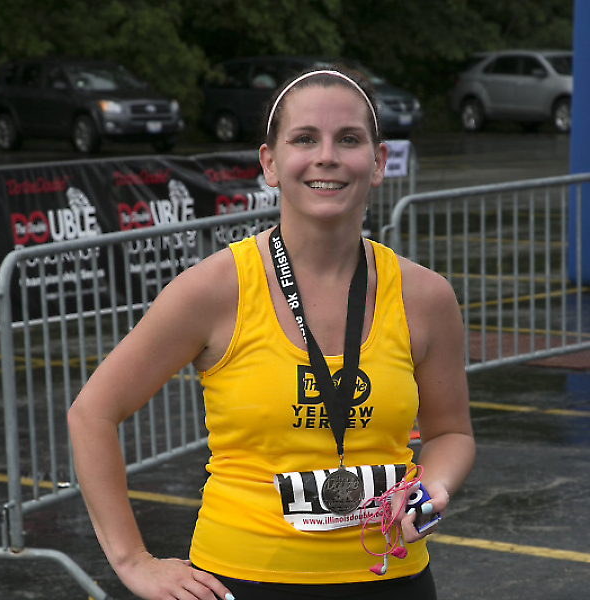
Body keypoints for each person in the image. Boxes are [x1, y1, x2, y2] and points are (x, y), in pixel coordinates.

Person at [68, 65, 475, 600]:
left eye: (348, 139)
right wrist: (132, 560)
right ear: (270, 163)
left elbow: (451, 434)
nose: (326, 156)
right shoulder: (214, 289)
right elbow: (92, 413)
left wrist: (432, 486)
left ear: (378, 162)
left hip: (392, 578)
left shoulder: (425, 296)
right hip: (240, 580)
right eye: (304, 139)